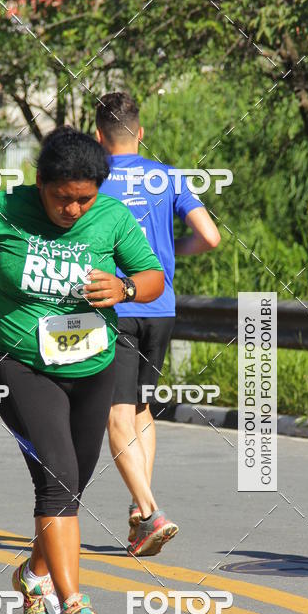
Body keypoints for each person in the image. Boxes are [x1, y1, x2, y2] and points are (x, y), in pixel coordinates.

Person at [0, 126, 164, 614]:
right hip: (21, 366)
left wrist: (126, 287)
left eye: (84, 199)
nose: (73, 209)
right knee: (58, 480)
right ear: (40, 183)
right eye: (63, 198)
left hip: (93, 368)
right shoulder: (2, 209)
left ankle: (32, 576)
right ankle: (74, 606)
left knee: (74, 484)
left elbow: (153, 276)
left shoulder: (110, 217)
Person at [95, 92, 221, 557]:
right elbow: (210, 236)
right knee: (143, 409)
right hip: (161, 305)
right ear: (140, 132)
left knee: (116, 414)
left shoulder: (94, 179)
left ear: (97, 136)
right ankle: (137, 510)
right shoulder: (168, 177)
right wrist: (170, 262)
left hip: (115, 306)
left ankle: (150, 513)